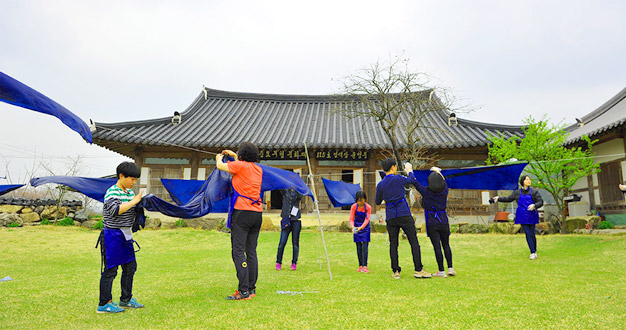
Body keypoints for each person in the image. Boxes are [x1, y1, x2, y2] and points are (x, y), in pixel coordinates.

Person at [216, 142, 263, 300]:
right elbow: (242, 165)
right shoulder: (258, 169)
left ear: (242, 155)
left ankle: (243, 291)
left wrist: (219, 158)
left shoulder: (240, 166)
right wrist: (235, 156)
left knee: (237, 251)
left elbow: (221, 167)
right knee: (251, 251)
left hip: (242, 213)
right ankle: (251, 288)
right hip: (256, 214)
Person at [97, 162, 144, 313]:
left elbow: (131, 209)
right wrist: (134, 202)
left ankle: (126, 299)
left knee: (130, 267)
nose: (134, 182)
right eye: (131, 179)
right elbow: (115, 211)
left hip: (126, 236)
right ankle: (104, 304)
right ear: (121, 176)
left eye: (136, 180)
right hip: (112, 235)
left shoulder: (129, 193)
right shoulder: (112, 192)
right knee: (111, 271)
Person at [375, 158, 431, 279]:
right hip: (403, 213)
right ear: (393, 167)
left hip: (391, 215)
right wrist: (409, 170)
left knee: (393, 244)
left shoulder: (381, 184)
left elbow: (377, 201)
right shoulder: (398, 178)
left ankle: (396, 271)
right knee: (413, 241)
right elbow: (411, 180)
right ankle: (418, 269)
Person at [413, 167, 456, 277]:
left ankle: (441, 271)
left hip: (432, 221)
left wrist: (409, 171)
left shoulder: (426, 192)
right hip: (443, 219)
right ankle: (450, 268)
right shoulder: (445, 190)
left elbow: (415, 183)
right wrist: (438, 171)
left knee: (437, 247)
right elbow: (444, 180)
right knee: (446, 244)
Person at [493, 175, 544, 260]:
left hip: (532, 215)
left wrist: (534, 205)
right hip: (522, 216)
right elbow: (508, 199)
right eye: (527, 179)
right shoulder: (517, 192)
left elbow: (540, 202)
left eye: (529, 179)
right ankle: (532, 252)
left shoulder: (534, 192)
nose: (529, 181)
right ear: (523, 181)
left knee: (532, 233)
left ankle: (534, 251)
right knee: (527, 233)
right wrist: (499, 198)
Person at [276, 189, 303, 271]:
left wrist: (296, 186)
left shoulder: (298, 192)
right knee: (282, 242)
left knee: (295, 243)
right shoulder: (285, 192)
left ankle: (294, 262)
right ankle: (278, 262)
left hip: (295, 220)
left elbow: (300, 195)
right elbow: (281, 187)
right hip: (286, 220)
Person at [350, 191, 372, 273]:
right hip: (356, 227)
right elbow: (351, 218)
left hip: (365, 228)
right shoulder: (354, 207)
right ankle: (360, 265)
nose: (360, 202)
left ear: (365, 200)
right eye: (359, 200)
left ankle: (365, 266)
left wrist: (361, 227)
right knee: (358, 246)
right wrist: (353, 227)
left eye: (362, 200)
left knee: (365, 247)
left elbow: (367, 219)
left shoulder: (368, 207)